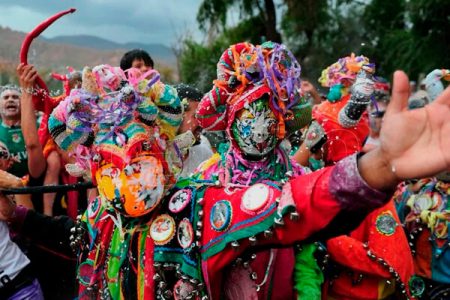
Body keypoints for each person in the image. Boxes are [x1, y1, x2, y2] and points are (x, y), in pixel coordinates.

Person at [2, 41, 450, 300]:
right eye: (107, 162)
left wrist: (378, 166)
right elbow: (72, 235)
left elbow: (289, 206)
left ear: (164, 149)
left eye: (139, 156)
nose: (127, 177)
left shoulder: (194, 206)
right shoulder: (104, 218)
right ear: (91, 162)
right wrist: (18, 217)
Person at [175, 83, 214, 177]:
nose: (202, 122)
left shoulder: (204, 154)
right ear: (176, 118)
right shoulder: (155, 161)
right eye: (196, 116)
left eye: (203, 116)